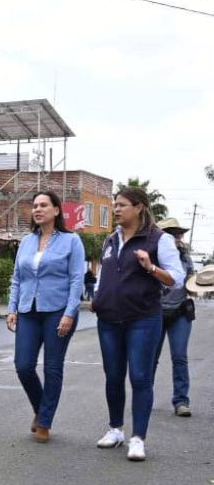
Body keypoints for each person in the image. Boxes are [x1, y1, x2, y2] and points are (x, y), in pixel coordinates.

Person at [92, 187, 184, 462]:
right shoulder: (111, 239)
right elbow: (103, 275)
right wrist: (97, 297)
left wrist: (150, 267)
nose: (116, 209)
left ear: (139, 207)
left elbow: (176, 279)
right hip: (109, 319)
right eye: (115, 205)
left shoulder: (159, 239)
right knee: (113, 376)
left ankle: (138, 438)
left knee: (140, 377)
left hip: (143, 319)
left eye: (122, 205)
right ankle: (115, 429)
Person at [5, 191, 85, 443]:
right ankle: (41, 409)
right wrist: (12, 308)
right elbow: (17, 278)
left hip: (58, 311)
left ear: (56, 210)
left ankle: (44, 422)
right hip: (28, 311)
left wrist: (70, 313)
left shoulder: (71, 241)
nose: (38, 209)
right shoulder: (27, 241)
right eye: (35, 206)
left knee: (52, 367)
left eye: (43, 205)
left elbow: (76, 280)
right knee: (23, 366)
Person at [152, 217, 195, 418]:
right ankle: (145, 398)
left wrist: (200, 283)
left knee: (179, 357)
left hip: (180, 312)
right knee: (151, 358)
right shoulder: (152, 257)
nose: (179, 237)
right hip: (155, 312)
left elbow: (192, 285)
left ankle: (181, 401)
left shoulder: (185, 258)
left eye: (180, 234)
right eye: (174, 234)